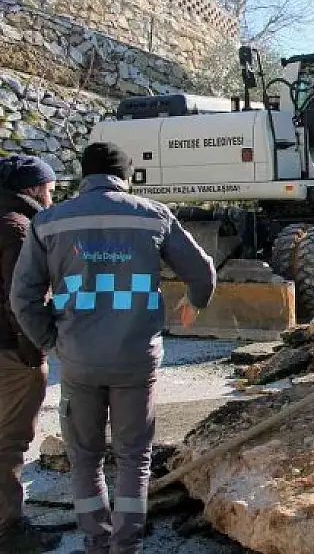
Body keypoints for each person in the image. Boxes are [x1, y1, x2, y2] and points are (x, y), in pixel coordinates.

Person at [10, 142, 216, 554]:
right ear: (125, 175)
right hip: (136, 361)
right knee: (133, 458)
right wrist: (192, 306)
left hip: (79, 361)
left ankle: (95, 543)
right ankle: (127, 546)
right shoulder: (154, 215)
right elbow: (203, 275)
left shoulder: (48, 222)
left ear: (83, 176)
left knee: (84, 458)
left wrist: (53, 342)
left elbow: (23, 299)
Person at [0, 154, 61, 553]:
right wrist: (35, 350)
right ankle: (9, 530)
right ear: (34, 188)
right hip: (10, 353)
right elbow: (21, 301)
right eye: (51, 190)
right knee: (9, 441)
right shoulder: (20, 230)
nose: (53, 198)